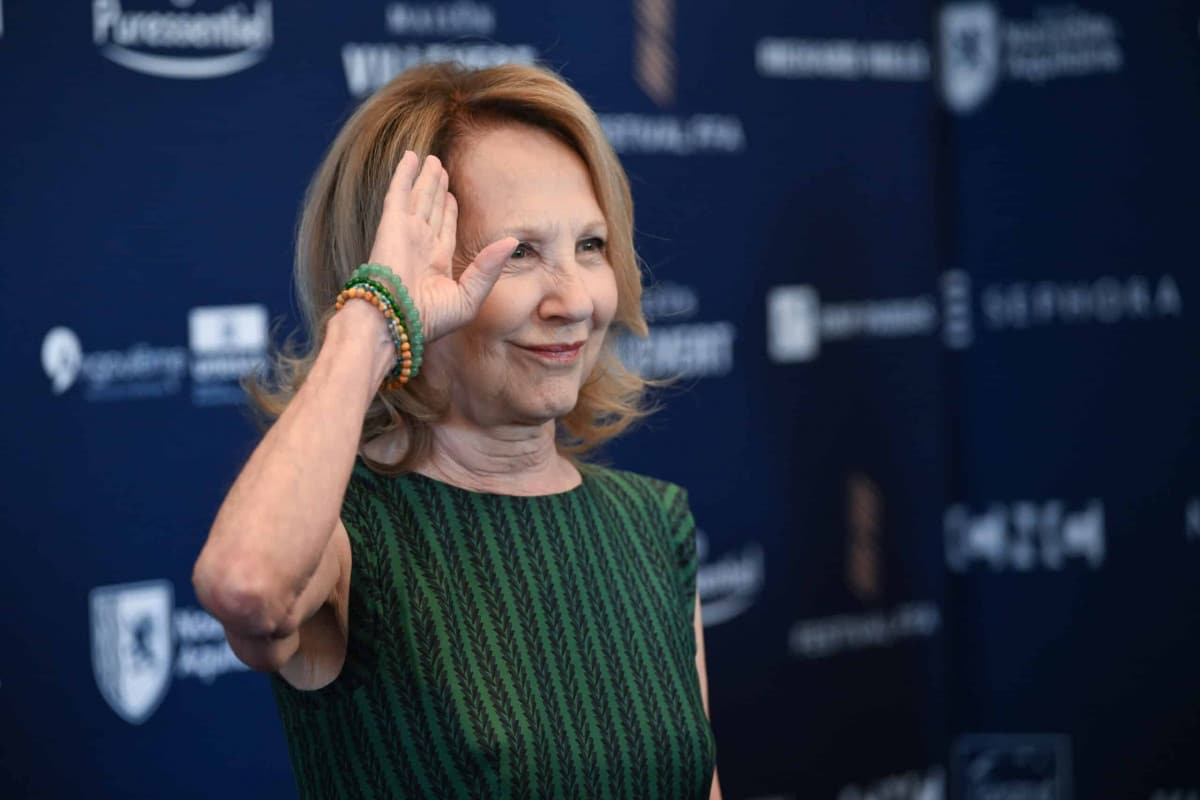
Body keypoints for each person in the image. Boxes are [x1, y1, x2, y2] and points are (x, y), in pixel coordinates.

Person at [193, 61, 721, 800]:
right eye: (520, 254)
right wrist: (374, 321)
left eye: (592, 246)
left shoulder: (650, 523)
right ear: (410, 279)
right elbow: (246, 587)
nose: (573, 299)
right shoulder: (349, 538)